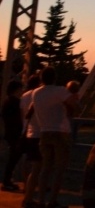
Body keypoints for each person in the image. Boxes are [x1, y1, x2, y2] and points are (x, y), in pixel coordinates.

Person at [31, 66, 80, 208]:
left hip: (44, 132)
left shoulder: (36, 93)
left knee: (45, 168)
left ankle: (40, 200)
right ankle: (52, 201)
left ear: (41, 78)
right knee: (59, 169)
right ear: (55, 77)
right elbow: (75, 107)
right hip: (60, 133)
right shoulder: (60, 91)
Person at [20, 75, 42, 208]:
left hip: (26, 130)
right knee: (38, 164)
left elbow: (22, 113)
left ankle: (25, 185)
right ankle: (31, 191)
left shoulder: (24, 96)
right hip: (37, 131)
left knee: (27, 160)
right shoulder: (38, 95)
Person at [1, 80, 24, 191]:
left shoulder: (7, 101)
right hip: (15, 133)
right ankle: (7, 181)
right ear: (16, 90)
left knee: (13, 157)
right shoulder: (16, 102)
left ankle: (8, 180)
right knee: (14, 158)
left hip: (10, 132)